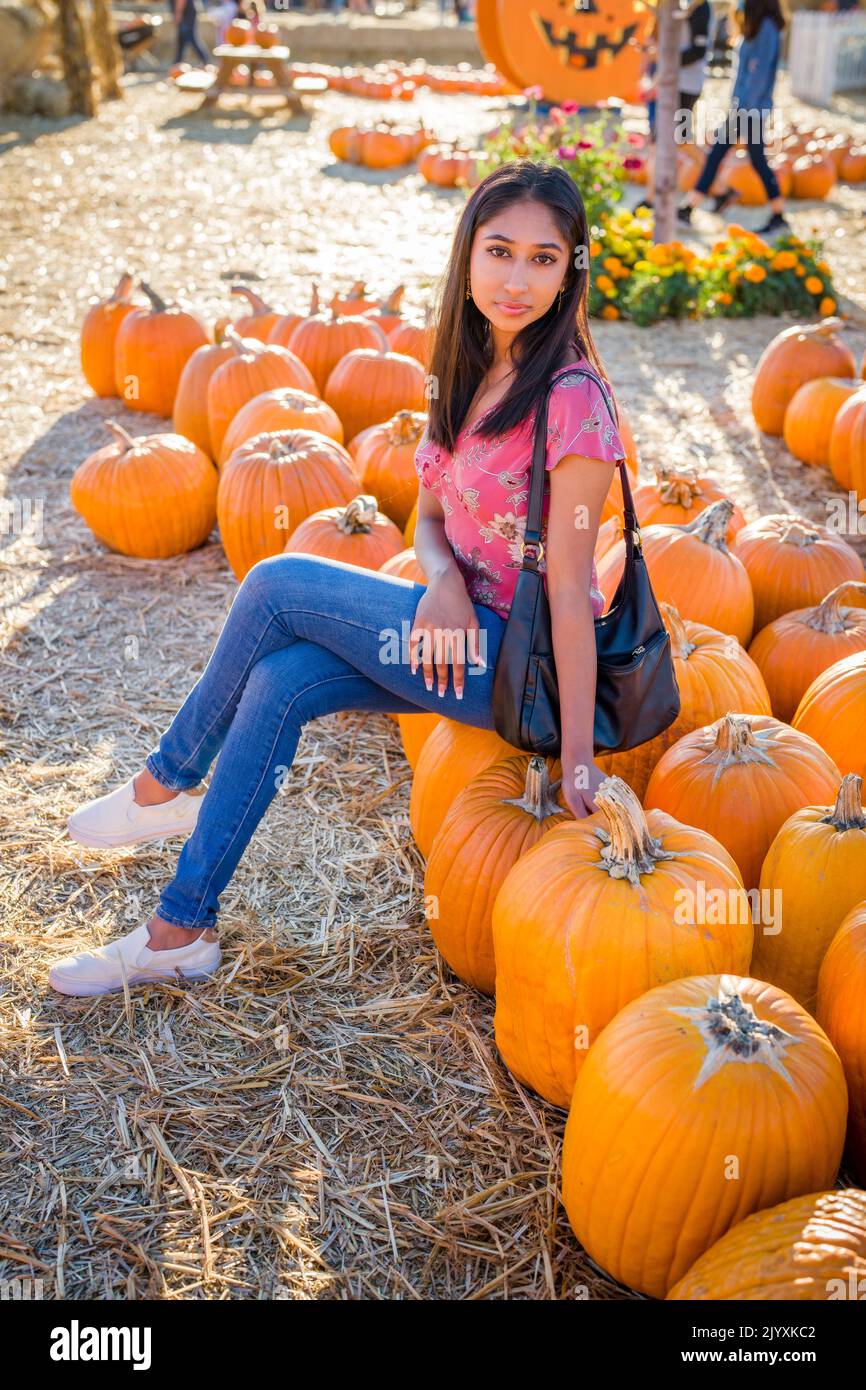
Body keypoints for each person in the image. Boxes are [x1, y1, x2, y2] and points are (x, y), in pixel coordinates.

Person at [51, 162, 624, 998]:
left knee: (278, 585)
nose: (516, 278)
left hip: (514, 665)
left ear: (571, 270)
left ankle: (162, 782)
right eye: (500, 251)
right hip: (448, 632)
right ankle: (180, 929)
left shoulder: (573, 400)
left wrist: (577, 759)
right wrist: (443, 584)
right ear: (467, 255)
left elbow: (570, 590)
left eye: (544, 258)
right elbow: (430, 522)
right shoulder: (463, 371)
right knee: (279, 682)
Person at [678, 0, 789, 236]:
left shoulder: (767, 28)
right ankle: (689, 207)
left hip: (751, 109)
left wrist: (743, 110)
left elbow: (758, 75)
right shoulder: (756, 25)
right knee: (717, 155)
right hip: (743, 108)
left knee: (756, 160)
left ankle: (779, 215)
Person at [170, 0, 210, 67]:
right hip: (186, 12)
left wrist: (178, 13)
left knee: (191, 37)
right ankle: (177, 61)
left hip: (186, 13)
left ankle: (204, 59)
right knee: (181, 38)